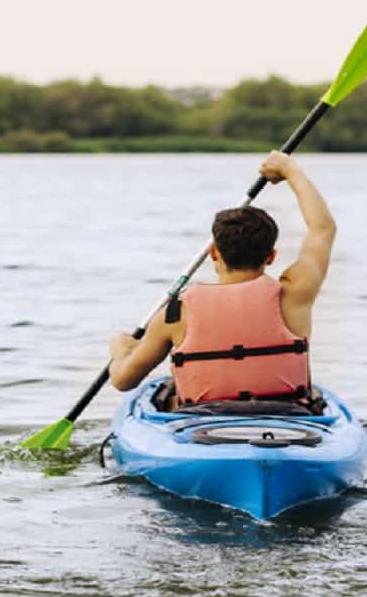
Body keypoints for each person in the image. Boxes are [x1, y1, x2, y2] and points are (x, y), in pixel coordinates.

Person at [107, 150, 335, 410]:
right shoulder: (294, 294)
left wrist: (121, 350)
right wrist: (289, 169)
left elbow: (123, 381)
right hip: (288, 421)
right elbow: (323, 228)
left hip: (201, 426)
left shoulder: (174, 314)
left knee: (168, 397)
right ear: (270, 256)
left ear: (214, 253)